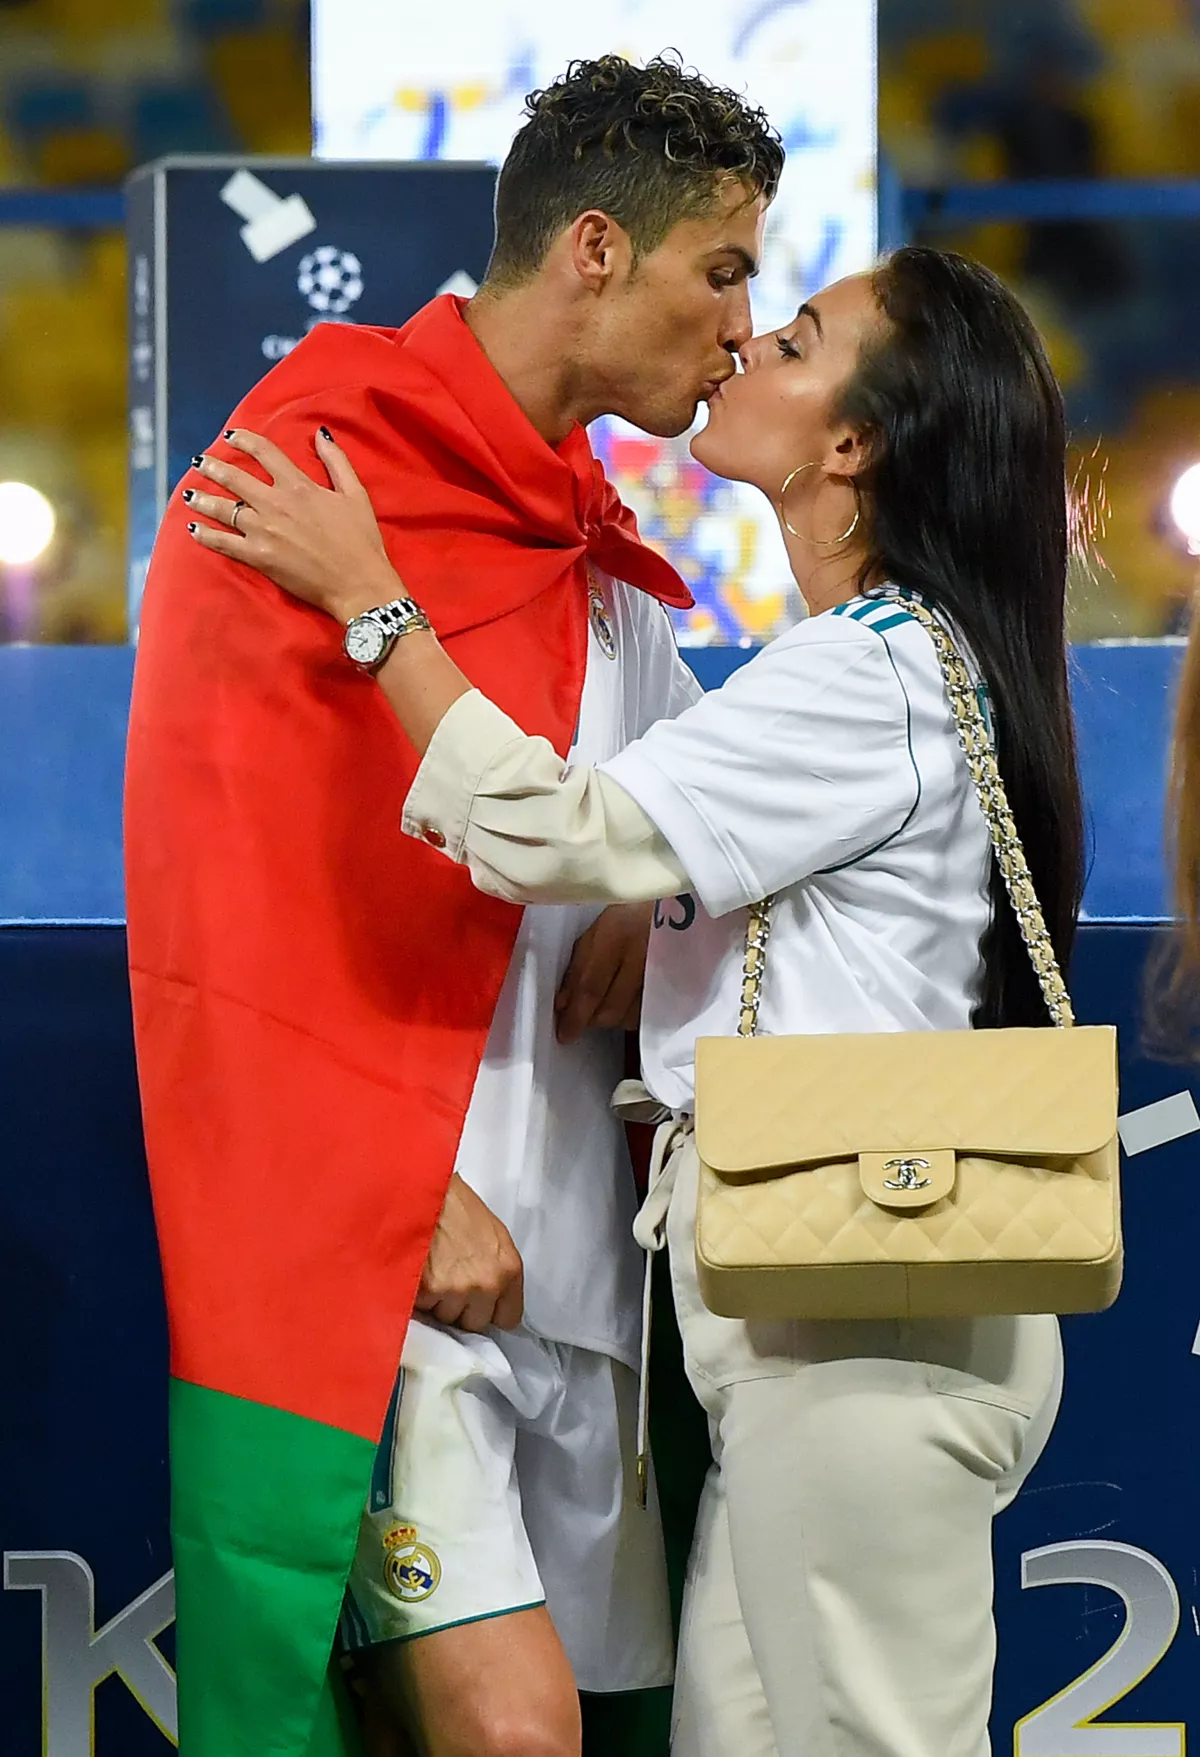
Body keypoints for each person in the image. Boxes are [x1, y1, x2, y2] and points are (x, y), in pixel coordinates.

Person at [186, 243, 1085, 1757]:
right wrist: (647, 893)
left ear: (851, 445)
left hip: (871, 1331)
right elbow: (643, 855)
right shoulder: (872, 663)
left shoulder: (871, 670)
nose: (745, 344)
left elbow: (555, 827)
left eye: (793, 338)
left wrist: (372, 605)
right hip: (818, 1336)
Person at [124, 53, 783, 1757]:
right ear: (591, 248)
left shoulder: (597, 557)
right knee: (512, 1739)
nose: (738, 325)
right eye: (721, 272)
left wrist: (677, 888)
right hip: (397, 1285)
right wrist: (390, 1196)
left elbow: (687, 824)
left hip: (594, 1287)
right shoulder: (286, 490)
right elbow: (218, 914)